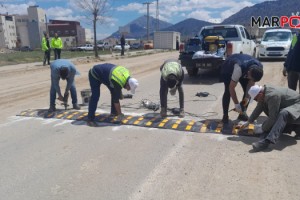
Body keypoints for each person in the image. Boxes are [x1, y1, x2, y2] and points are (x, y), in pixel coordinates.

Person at [239, 85, 300, 152]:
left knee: (283, 113)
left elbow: (272, 118)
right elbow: (259, 107)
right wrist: (248, 122)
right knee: (266, 107)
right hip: (295, 108)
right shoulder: (265, 92)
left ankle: (267, 141)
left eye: (256, 99)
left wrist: (262, 128)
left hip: (297, 109)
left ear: (260, 94)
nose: (256, 101)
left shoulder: (272, 96)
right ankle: (297, 128)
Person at [220, 53, 264, 123]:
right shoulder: (238, 68)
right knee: (227, 91)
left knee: (249, 92)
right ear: (249, 73)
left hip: (245, 69)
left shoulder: (259, 67)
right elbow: (232, 88)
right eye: (250, 78)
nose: (249, 79)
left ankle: (242, 113)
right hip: (229, 68)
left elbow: (250, 87)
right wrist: (237, 105)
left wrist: (245, 101)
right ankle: (225, 116)